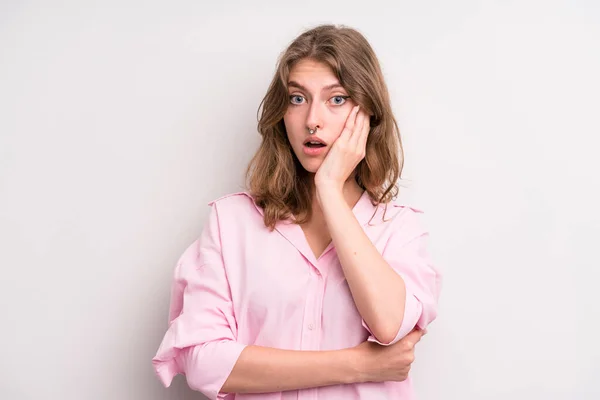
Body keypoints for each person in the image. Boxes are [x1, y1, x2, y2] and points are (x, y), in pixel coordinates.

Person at [152, 24, 442, 400]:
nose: (312, 120)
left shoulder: (398, 227)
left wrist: (330, 191)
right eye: (297, 98)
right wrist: (362, 365)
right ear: (281, 111)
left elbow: (388, 325)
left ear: (367, 113)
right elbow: (203, 362)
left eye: (336, 99)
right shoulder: (232, 223)